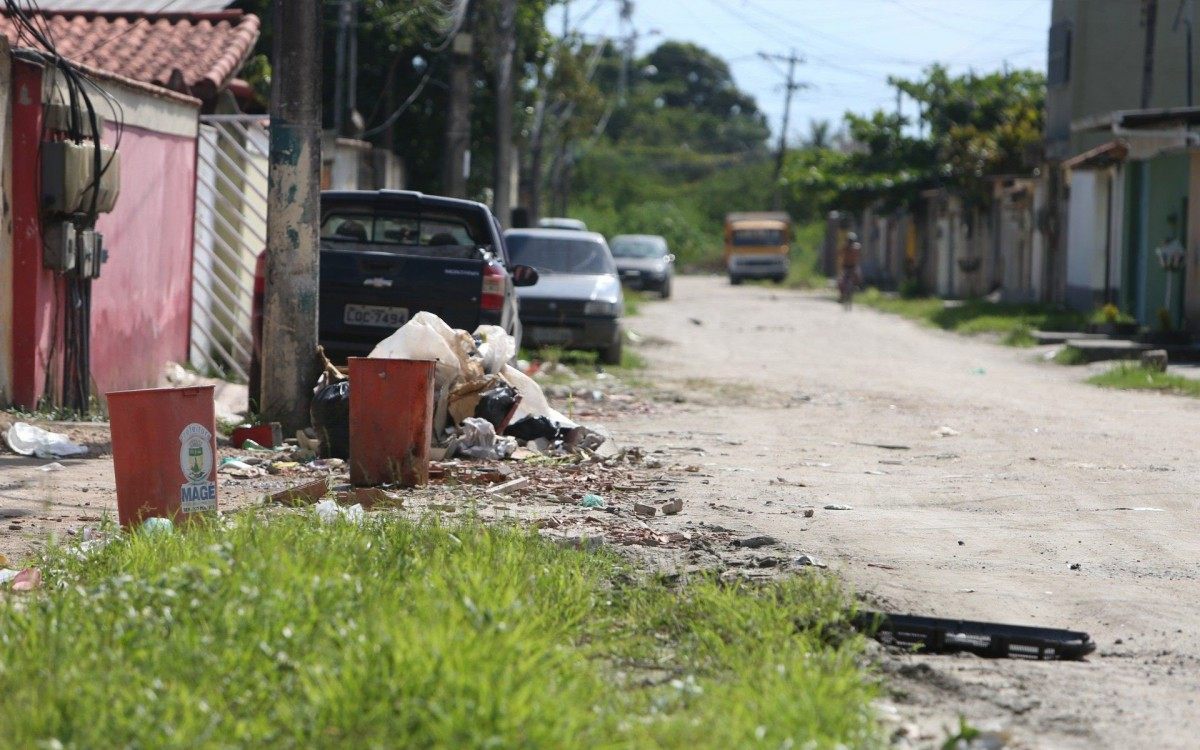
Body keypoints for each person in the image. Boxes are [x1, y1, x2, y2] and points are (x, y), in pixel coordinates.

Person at [837, 232, 862, 304]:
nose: (850, 243)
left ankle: (856, 287)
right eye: (849, 241)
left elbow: (859, 250)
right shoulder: (844, 247)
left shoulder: (856, 247)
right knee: (841, 281)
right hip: (845, 266)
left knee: (858, 275)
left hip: (853, 266)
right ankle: (842, 295)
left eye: (851, 241)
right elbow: (839, 253)